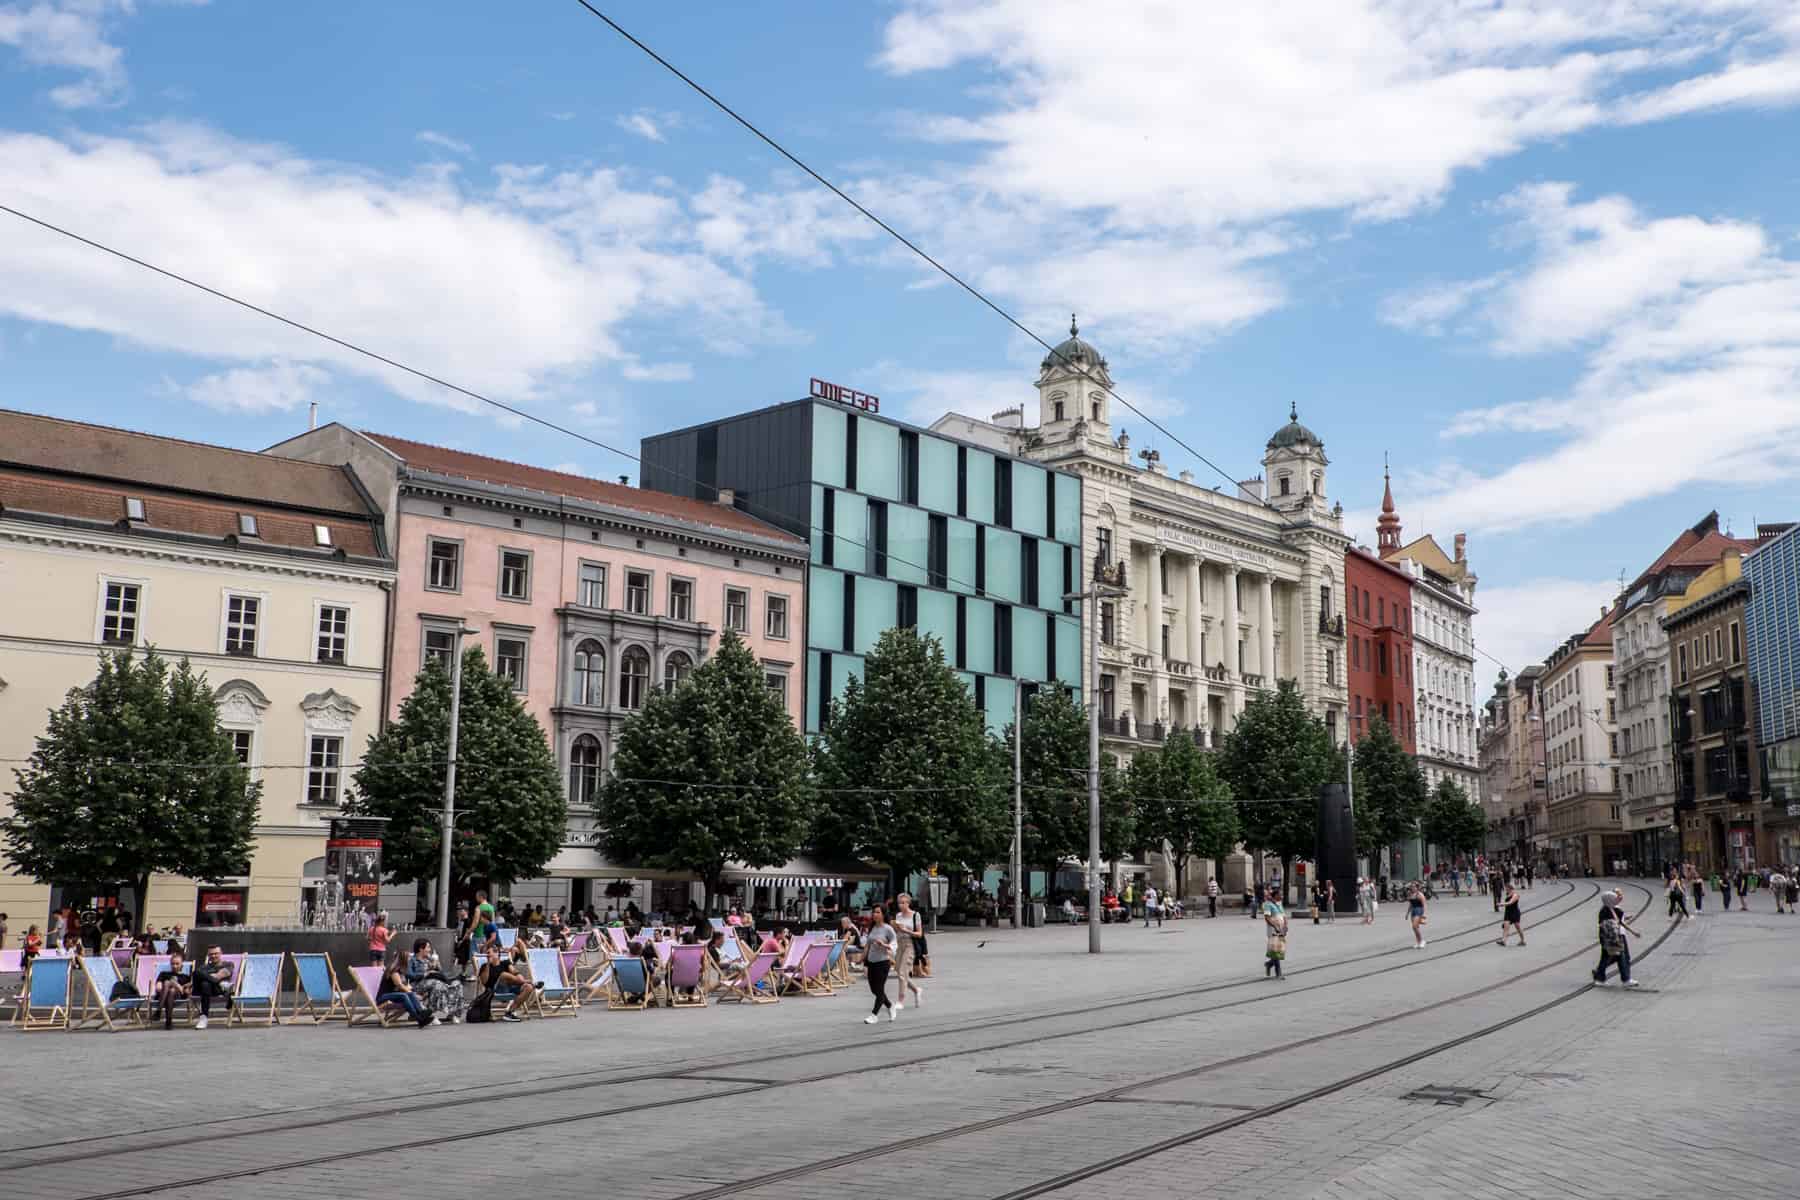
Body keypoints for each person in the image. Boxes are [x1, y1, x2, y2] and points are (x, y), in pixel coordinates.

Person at [406, 938, 466, 1024]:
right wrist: (425, 974)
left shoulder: (429, 959)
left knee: (457, 985)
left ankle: (453, 1013)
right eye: (428, 947)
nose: (429, 950)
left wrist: (437, 964)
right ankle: (429, 1014)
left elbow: (441, 973)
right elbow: (409, 974)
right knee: (437, 984)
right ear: (420, 949)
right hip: (418, 984)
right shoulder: (412, 960)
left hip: (434, 981)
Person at [1593, 889, 1639, 987]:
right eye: (1614, 898)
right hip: (1610, 939)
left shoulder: (1613, 909)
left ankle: (1600, 977)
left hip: (1614, 938)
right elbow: (1608, 926)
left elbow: (1619, 922)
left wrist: (1633, 932)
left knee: (1610, 957)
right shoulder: (1605, 911)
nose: (1616, 899)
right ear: (1609, 900)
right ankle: (1625, 979)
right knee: (1618, 957)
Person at [475, 943, 532, 1022]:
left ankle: (509, 1013)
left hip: (510, 987)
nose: (488, 955)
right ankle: (528, 982)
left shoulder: (505, 963)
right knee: (503, 975)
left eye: (490, 953)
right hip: (495, 990)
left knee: (528, 987)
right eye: (487, 953)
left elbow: (515, 972)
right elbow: (484, 982)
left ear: (497, 953)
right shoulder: (485, 966)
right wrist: (488, 963)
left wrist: (520, 978)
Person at [378, 948, 435, 1028]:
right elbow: (399, 985)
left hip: (393, 995)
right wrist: (412, 993)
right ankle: (418, 1018)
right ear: (403, 959)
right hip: (383, 997)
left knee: (409, 994)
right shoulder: (394, 970)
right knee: (405, 995)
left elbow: (404, 986)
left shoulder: (401, 971)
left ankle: (421, 1013)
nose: (410, 960)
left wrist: (413, 993)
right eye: (408, 958)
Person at [862, 905, 898, 1024]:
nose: (874, 914)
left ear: (883, 914)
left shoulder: (888, 928)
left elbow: (894, 943)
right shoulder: (872, 927)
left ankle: (874, 1015)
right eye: (874, 912)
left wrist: (885, 945)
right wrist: (862, 959)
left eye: (877, 912)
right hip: (871, 962)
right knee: (875, 990)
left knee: (879, 989)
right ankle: (889, 1005)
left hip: (883, 963)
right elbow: (868, 944)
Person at [891, 894, 925, 1007]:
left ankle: (900, 1000)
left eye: (903, 902)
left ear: (908, 903)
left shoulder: (916, 915)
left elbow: (919, 934)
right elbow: (897, 931)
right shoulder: (898, 915)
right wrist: (895, 927)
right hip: (900, 944)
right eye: (899, 903)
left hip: (910, 944)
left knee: (902, 973)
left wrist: (906, 930)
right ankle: (916, 990)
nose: (901, 905)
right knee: (900, 972)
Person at [190, 946, 236, 1028]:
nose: (213, 956)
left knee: (204, 982)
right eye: (211, 954)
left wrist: (206, 976)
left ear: (221, 953)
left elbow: (220, 975)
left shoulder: (228, 964)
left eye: (216, 953)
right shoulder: (204, 967)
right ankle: (222, 985)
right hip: (210, 989)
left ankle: (203, 1017)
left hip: (217, 990)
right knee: (197, 974)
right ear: (208, 955)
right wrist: (214, 978)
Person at [153, 947, 192, 1029]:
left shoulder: (186, 977)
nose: (174, 966)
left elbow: (185, 990)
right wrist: (176, 985)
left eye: (177, 964)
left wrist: (179, 986)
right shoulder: (163, 974)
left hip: (178, 996)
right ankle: (168, 1021)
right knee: (170, 989)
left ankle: (158, 1011)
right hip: (163, 995)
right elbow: (158, 987)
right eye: (173, 964)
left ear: (182, 964)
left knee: (171, 987)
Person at [1261, 889, 1287, 979]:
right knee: (1276, 951)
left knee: (1279, 951)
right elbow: (1267, 918)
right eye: (1280, 895)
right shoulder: (1268, 904)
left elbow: (1284, 916)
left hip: (1281, 930)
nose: (1282, 896)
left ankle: (1268, 964)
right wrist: (1275, 926)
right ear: (1275, 895)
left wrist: (1285, 926)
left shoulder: (1279, 904)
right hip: (1273, 930)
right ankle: (1278, 973)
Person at [1496, 882, 1525, 947]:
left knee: (1517, 927)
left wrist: (1501, 904)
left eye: (1506, 888)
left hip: (1515, 912)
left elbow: (1510, 902)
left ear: (1510, 888)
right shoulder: (1508, 894)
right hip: (1508, 912)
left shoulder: (1515, 895)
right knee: (1506, 927)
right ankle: (1503, 941)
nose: (1505, 889)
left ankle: (1522, 940)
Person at [1407, 882, 1428, 948]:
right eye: (1411, 887)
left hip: (1419, 910)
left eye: (1414, 887)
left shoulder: (1420, 895)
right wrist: (1407, 913)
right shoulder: (1410, 894)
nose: (1412, 888)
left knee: (1414, 926)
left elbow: (1424, 904)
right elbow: (1410, 904)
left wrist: (1424, 913)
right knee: (1416, 928)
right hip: (1413, 911)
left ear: (1417, 887)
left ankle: (1422, 941)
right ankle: (1418, 942)